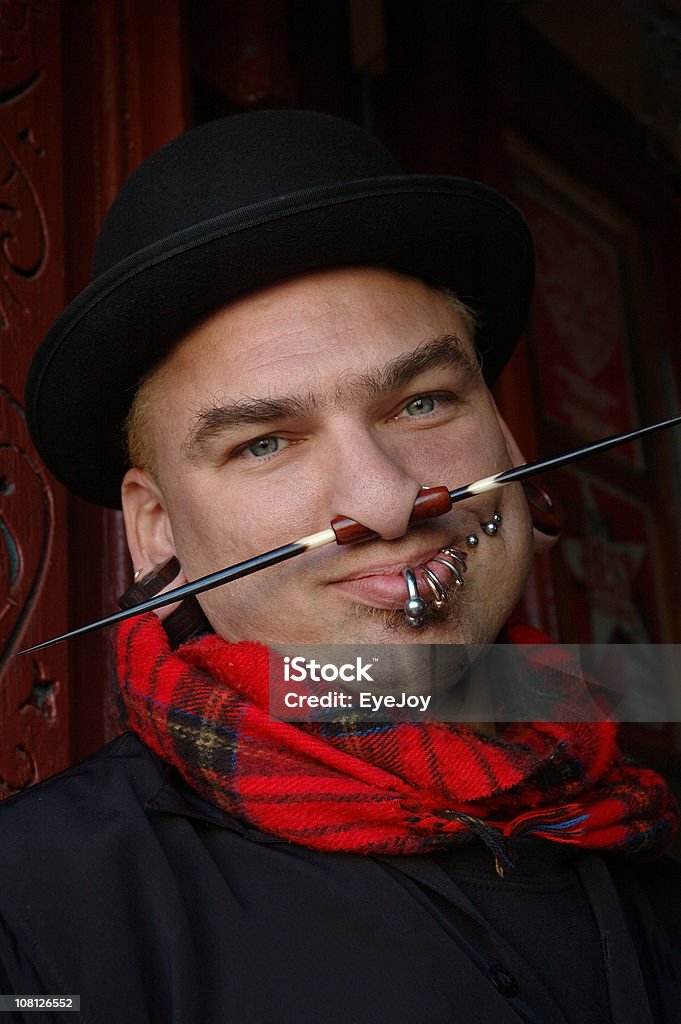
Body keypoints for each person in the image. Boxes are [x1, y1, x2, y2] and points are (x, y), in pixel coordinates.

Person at [1, 110, 679, 1023]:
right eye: (264, 443)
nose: (387, 501)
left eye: (425, 403)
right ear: (156, 527)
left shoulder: (643, 812)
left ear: (509, 441)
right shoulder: (36, 907)